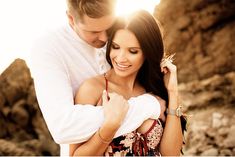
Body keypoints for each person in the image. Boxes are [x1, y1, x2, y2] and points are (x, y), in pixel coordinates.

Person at [30, 0, 167, 155]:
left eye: (109, 27)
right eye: (94, 32)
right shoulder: (48, 47)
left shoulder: (120, 35)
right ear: (71, 19)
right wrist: (148, 105)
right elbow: (63, 127)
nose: (104, 38)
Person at [69, 10, 186, 156]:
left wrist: (173, 92)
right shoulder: (93, 89)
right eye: (116, 47)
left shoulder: (153, 89)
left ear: (147, 52)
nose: (120, 58)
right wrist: (110, 127)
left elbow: (171, 154)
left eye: (132, 51)